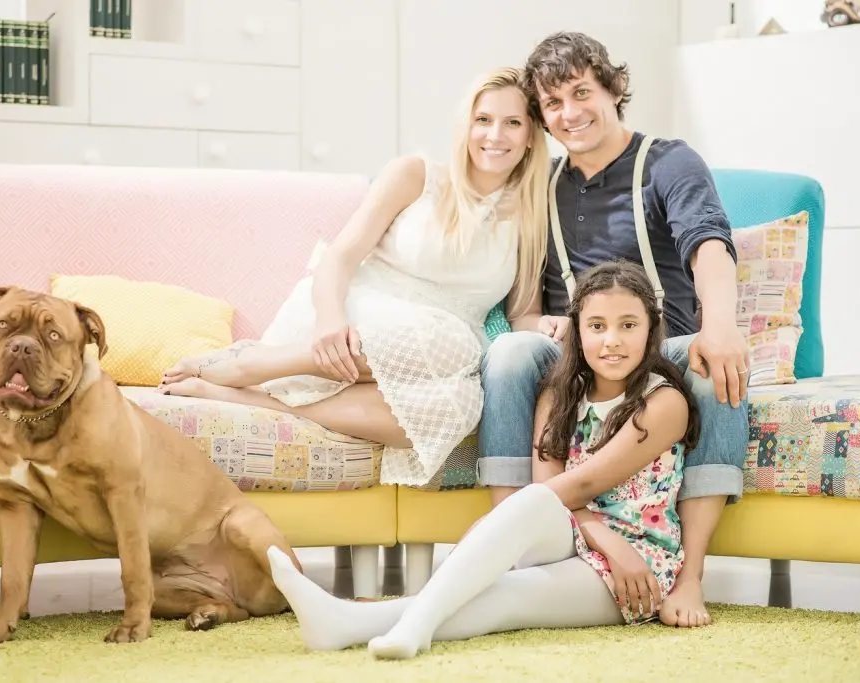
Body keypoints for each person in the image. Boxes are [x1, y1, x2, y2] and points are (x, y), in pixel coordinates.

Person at [264, 260, 702, 659]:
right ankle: (382, 623)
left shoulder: (663, 403)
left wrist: (503, 525)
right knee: (535, 500)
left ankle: (366, 623)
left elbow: (582, 485)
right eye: (597, 326)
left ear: (651, 329)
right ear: (577, 331)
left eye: (628, 325)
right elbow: (548, 492)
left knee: (507, 594)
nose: (612, 340)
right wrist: (600, 538)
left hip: (640, 563)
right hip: (582, 533)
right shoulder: (558, 393)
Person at [156, 66, 551, 487]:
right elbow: (340, 257)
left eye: (512, 123)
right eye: (483, 120)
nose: (495, 135)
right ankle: (252, 364)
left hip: (438, 356)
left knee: (459, 405)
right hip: (358, 316)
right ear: (465, 126)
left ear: (531, 135)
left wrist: (548, 327)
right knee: (451, 342)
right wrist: (330, 321)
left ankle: (252, 399)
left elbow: (524, 313)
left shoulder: (530, 211)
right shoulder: (417, 175)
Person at [475, 31, 750, 629]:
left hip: (664, 348)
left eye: (581, 93)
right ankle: (510, 542)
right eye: (553, 103)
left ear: (614, 88)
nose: (570, 113)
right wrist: (539, 324)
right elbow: (524, 305)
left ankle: (689, 576)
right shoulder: (541, 184)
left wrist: (721, 326)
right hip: (578, 353)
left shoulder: (668, 161)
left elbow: (708, 242)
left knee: (711, 365)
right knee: (511, 352)